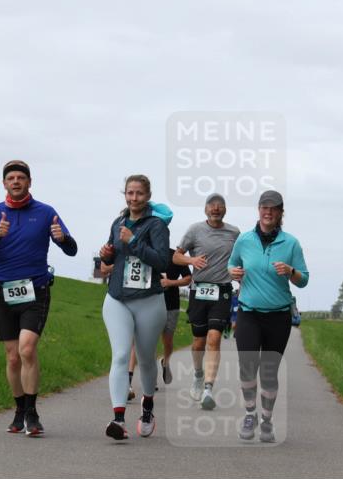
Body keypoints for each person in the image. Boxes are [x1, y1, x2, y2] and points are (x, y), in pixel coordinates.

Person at [0, 160, 78, 437]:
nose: (16, 181)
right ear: (4, 184)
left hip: (36, 288)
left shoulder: (46, 213)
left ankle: (33, 413)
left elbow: (71, 250)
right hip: (5, 290)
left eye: (21, 177)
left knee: (26, 349)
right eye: (11, 178)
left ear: (30, 182)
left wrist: (62, 238)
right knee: (12, 358)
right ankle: (19, 410)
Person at [228, 190, 309, 443]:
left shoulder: (291, 243)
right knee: (248, 367)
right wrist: (234, 272)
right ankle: (250, 414)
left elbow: (304, 279)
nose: (268, 212)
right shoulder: (244, 240)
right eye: (264, 207)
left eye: (274, 208)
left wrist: (290, 270)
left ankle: (266, 419)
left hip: (278, 316)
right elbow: (231, 264)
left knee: (269, 372)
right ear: (259, 210)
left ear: (281, 213)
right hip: (248, 312)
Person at [99, 174, 171, 440]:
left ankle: (148, 405)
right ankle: (118, 419)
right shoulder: (118, 222)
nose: (134, 198)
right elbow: (114, 254)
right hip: (117, 298)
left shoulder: (157, 226)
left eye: (139, 193)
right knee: (119, 356)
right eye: (129, 193)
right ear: (125, 195)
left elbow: (162, 261)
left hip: (149, 301)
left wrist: (134, 242)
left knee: (145, 359)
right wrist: (108, 253)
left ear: (147, 196)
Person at [174, 193, 240, 410]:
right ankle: (198, 374)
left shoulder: (234, 233)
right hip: (199, 290)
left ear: (225, 209)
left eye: (220, 206)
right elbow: (176, 256)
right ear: (205, 209)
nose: (216, 209)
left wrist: (240, 272)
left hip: (222, 291)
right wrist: (191, 260)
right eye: (212, 205)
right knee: (199, 342)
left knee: (214, 339)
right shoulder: (194, 230)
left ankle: (209, 389)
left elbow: (241, 258)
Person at [160, 247, 192, 384]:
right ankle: (150, 377)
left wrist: (170, 283)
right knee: (149, 341)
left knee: (167, 340)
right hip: (150, 304)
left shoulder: (175, 256)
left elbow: (188, 278)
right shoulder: (147, 252)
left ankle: (165, 362)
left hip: (171, 304)